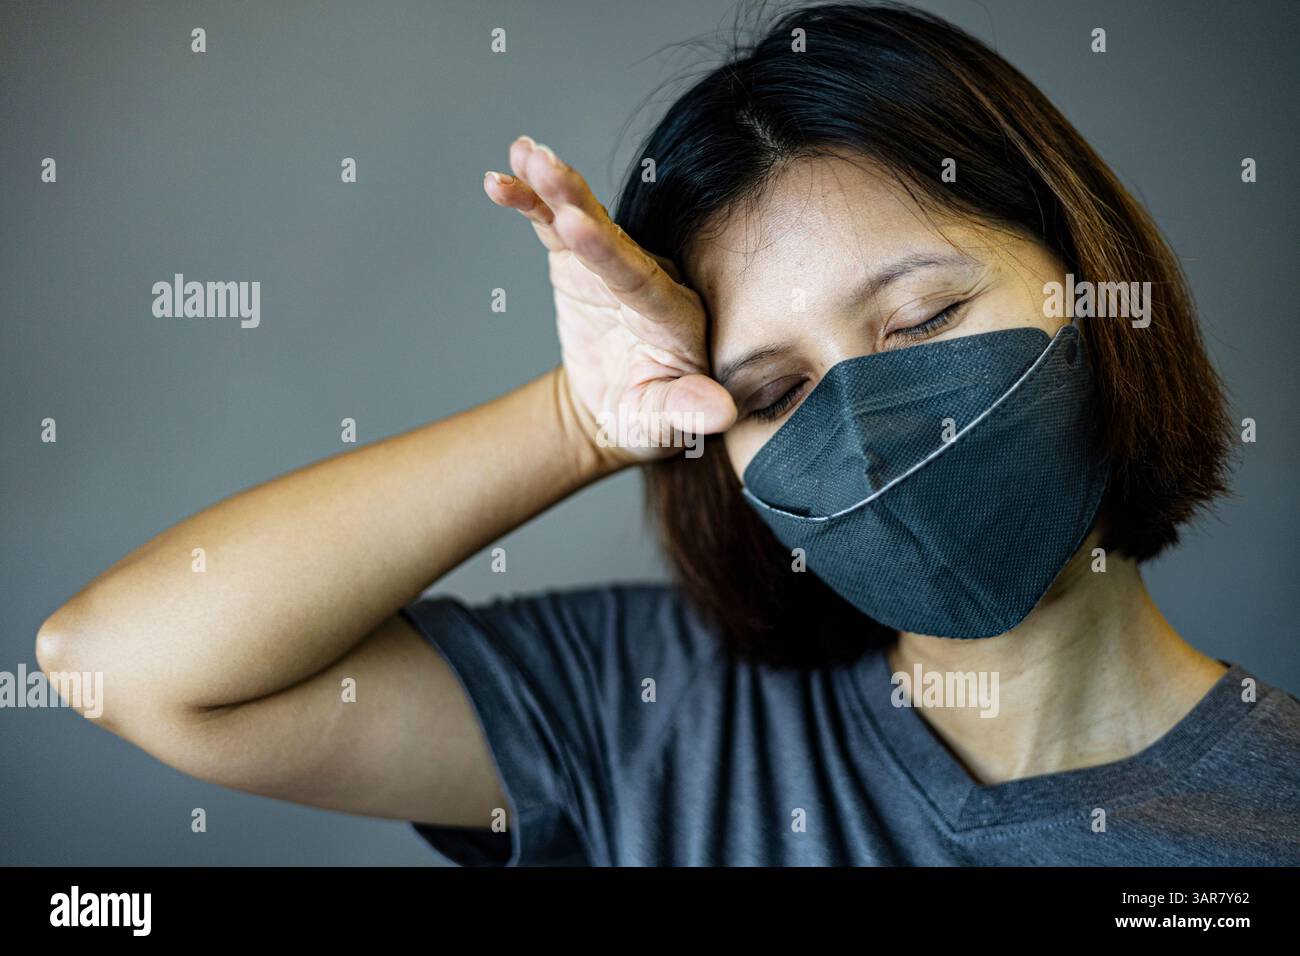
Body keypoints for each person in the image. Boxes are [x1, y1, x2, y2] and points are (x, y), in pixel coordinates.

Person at [36, 1, 1300, 866]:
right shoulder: (647, 720)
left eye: (920, 319)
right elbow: (121, 661)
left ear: (1091, 282)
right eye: (768, 393)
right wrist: (577, 420)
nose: (860, 427)